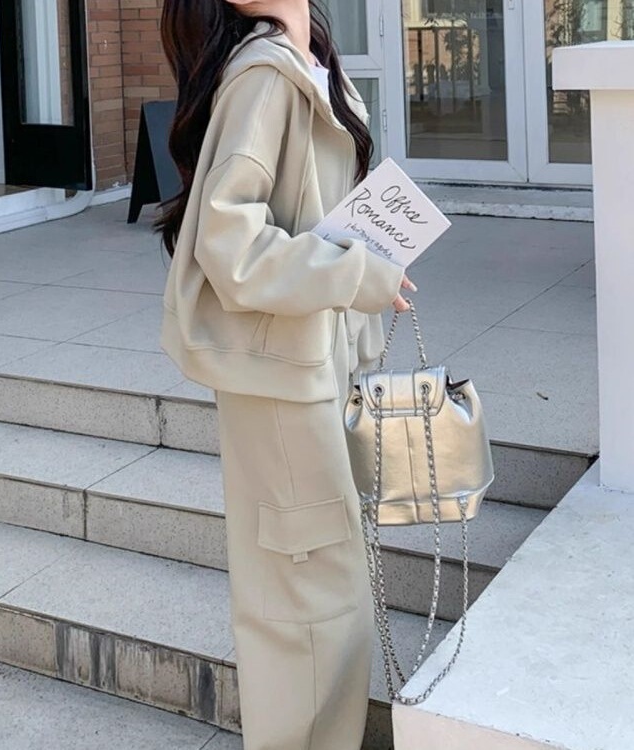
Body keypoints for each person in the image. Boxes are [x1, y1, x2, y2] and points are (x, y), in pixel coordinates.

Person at [157, 2, 416, 748]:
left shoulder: (311, 61)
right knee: (306, 605)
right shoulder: (265, 75)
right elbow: (230, 245)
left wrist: (367, 275)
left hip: (309, 365)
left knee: (320, 592)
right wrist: (355, 275)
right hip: (284, 385)